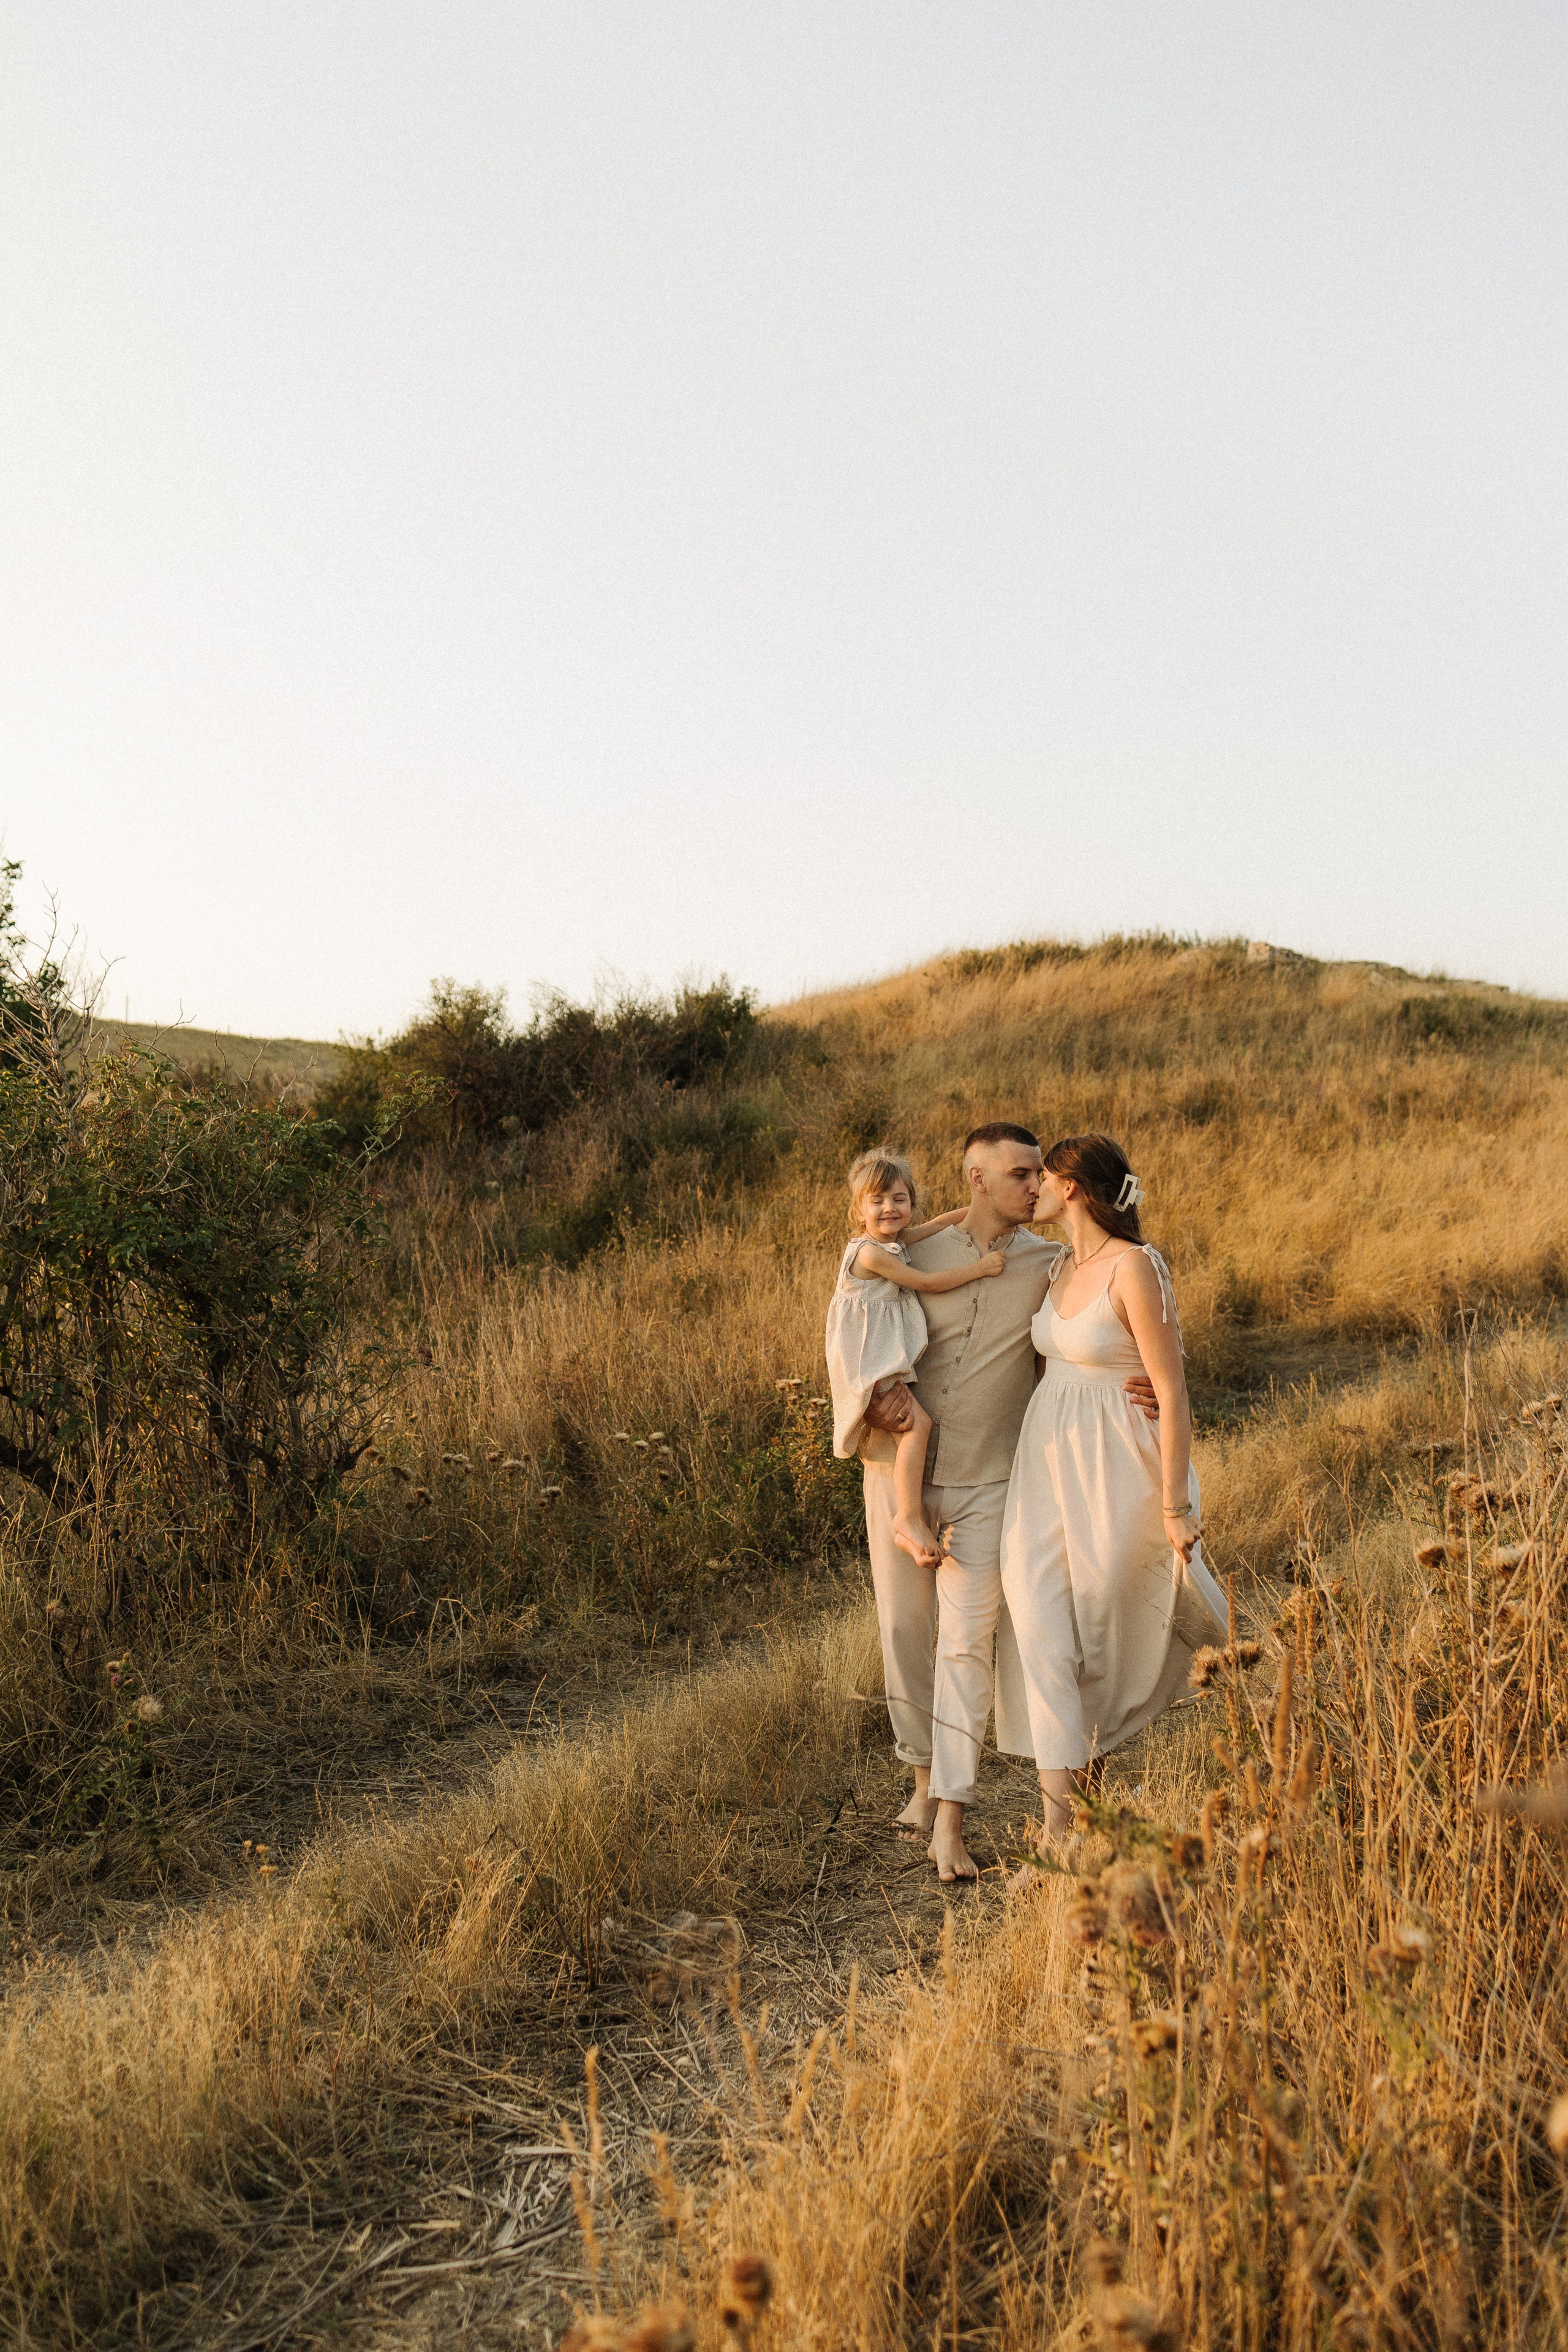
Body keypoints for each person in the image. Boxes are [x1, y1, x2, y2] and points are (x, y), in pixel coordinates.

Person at [854, 1125, 1158, 1882]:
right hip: (900, 1470)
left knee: (967, 1643)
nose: (1036, 1187)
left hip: (994, 1478)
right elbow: (851, 1324)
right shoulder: (910, 1257)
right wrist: (868, 1397)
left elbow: (1100, 1315)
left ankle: (949, 1817)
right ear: (977, 1178)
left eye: (1040, 1175)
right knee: (902, 1625)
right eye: (1020, 1175)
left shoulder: (1049, 1266)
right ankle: (922, 1776)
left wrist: (1146, 1378)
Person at [998, 1133, 1228, 1851]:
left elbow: (1172, 1387)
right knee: (1037, 1624)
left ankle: (1086, 1808)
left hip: (1118, 1467)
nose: (1029, 1185)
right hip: (1045, 1468)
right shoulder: (1058, 1264)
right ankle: (1058, 1827)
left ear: (1072, 1186)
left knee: (1101, 1633)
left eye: (1042, 1175)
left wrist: (1175, 1503)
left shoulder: (1136, 1266)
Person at [824, 1151, 1007, 1567]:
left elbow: (941, 1223)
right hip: (869, 1362)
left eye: (900, 1198)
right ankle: (907, 1517)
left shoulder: (893, 1243)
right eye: (878, 1200)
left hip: (879, 1359)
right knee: (917, 1425)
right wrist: (981, 1268)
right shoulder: (869, 1255)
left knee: (914, 1424)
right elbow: (926, 1282)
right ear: (859, 1210)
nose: (890, 1207)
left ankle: (909, 1515)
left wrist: (986, 1211)